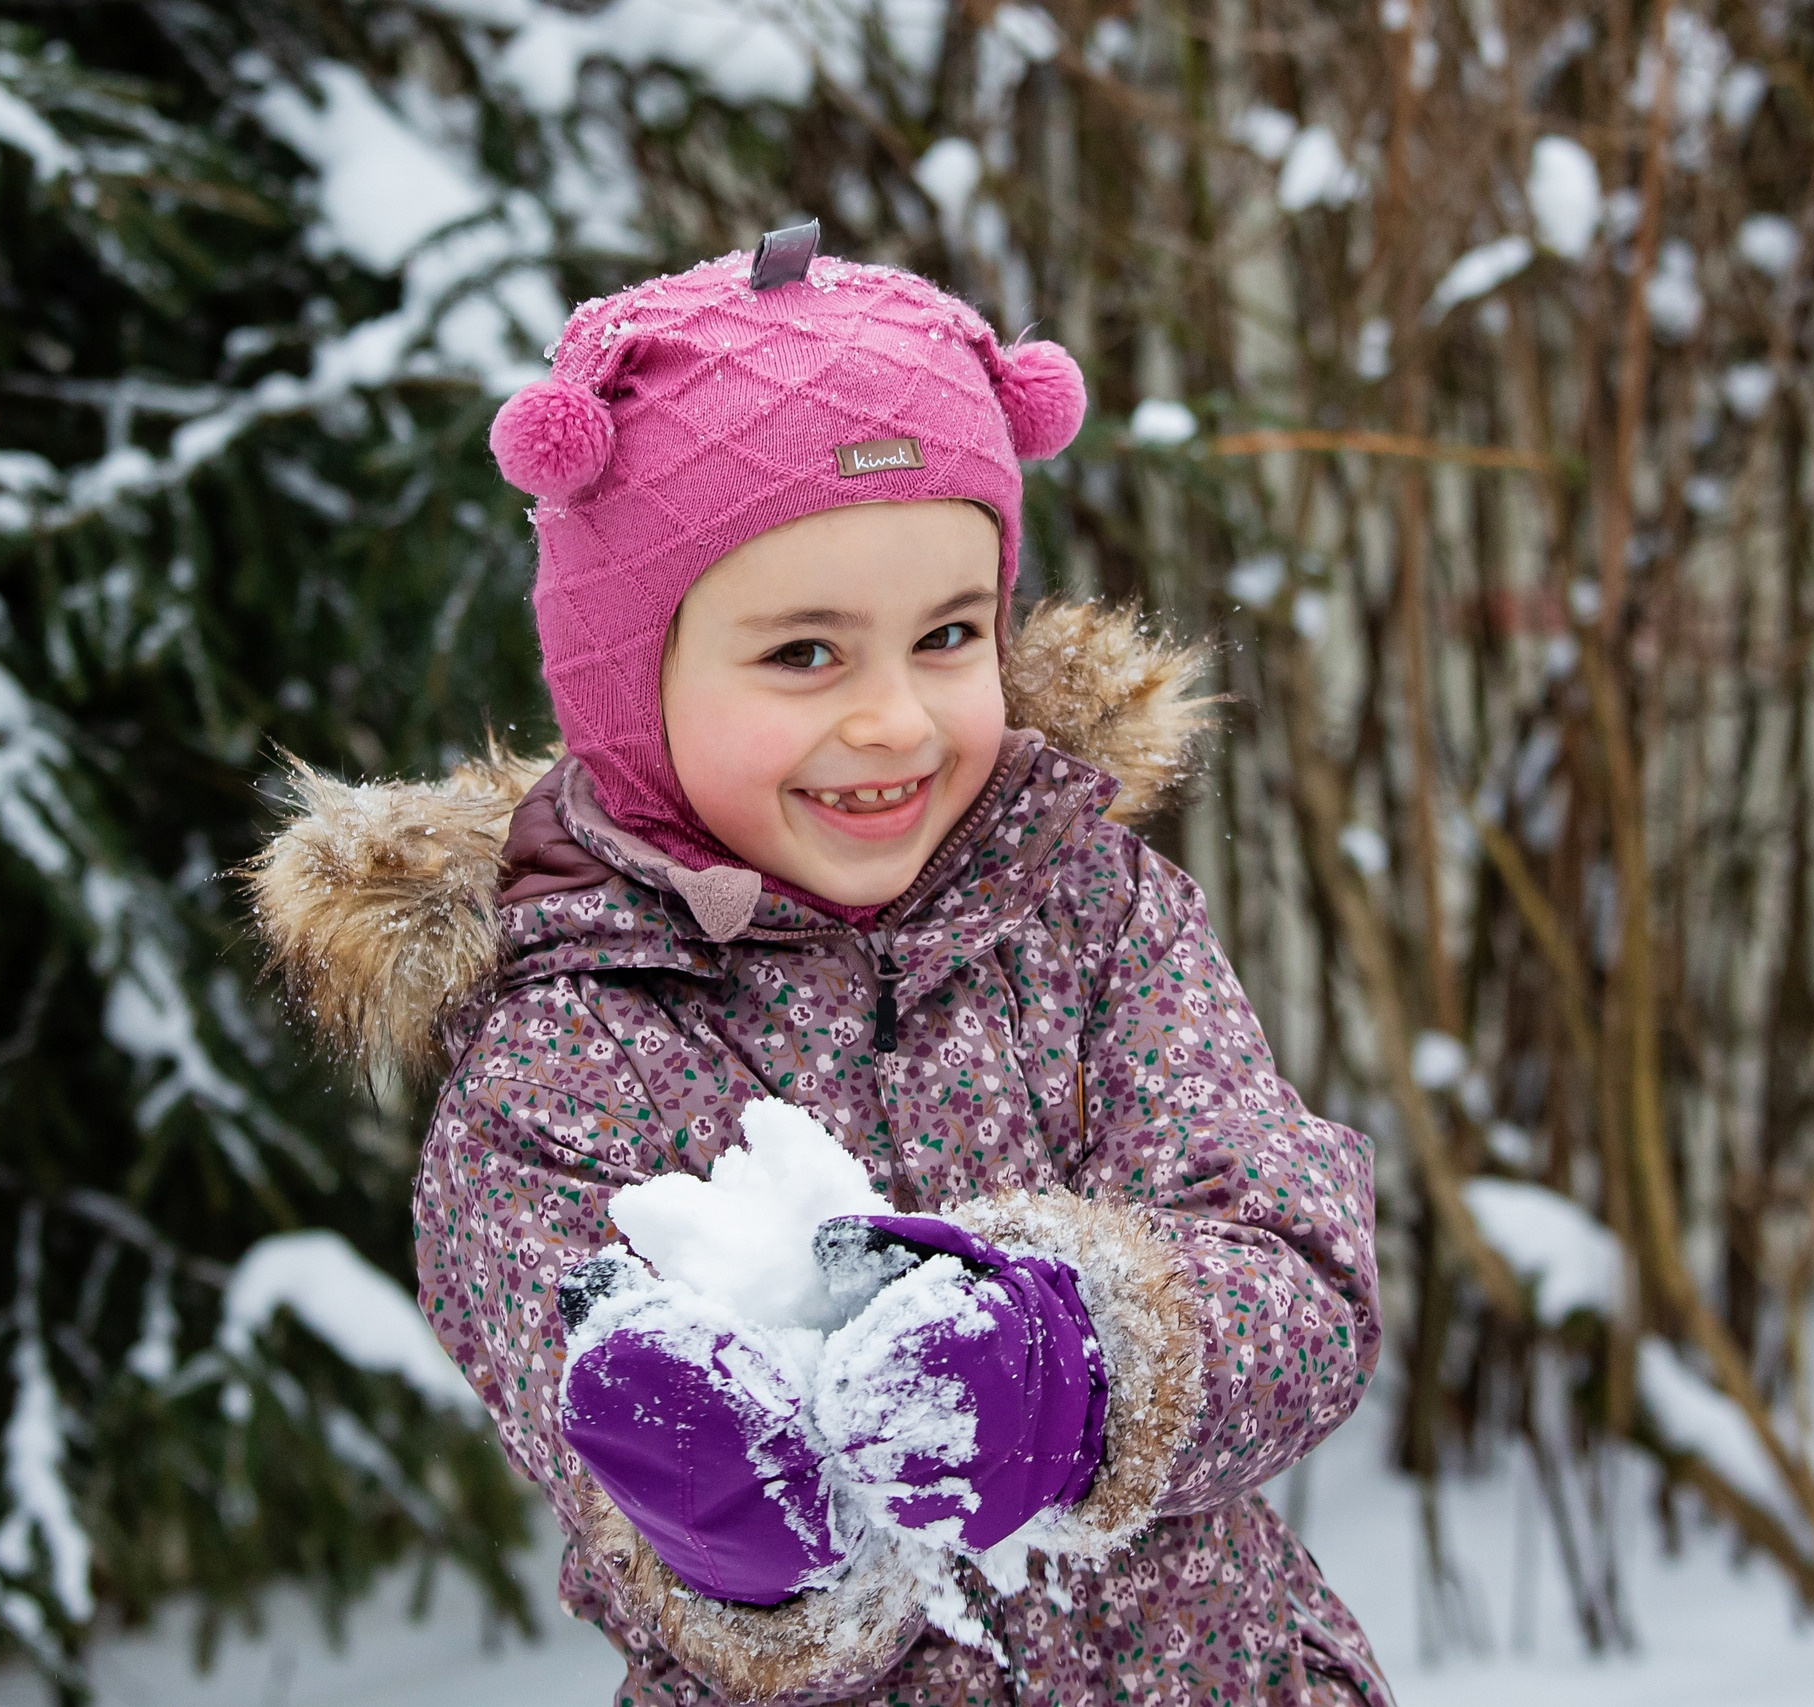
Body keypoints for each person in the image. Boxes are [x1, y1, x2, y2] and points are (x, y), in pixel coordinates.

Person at [249, 235, 1387, 1706]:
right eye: (803, 656)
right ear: (630, 688)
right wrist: (733, 1524)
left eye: (950, 637)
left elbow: (1299, 1268)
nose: (897, 722)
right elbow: (580, 1403)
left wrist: (1085, 1365)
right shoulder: (562, 1048)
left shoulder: (1093, 913)